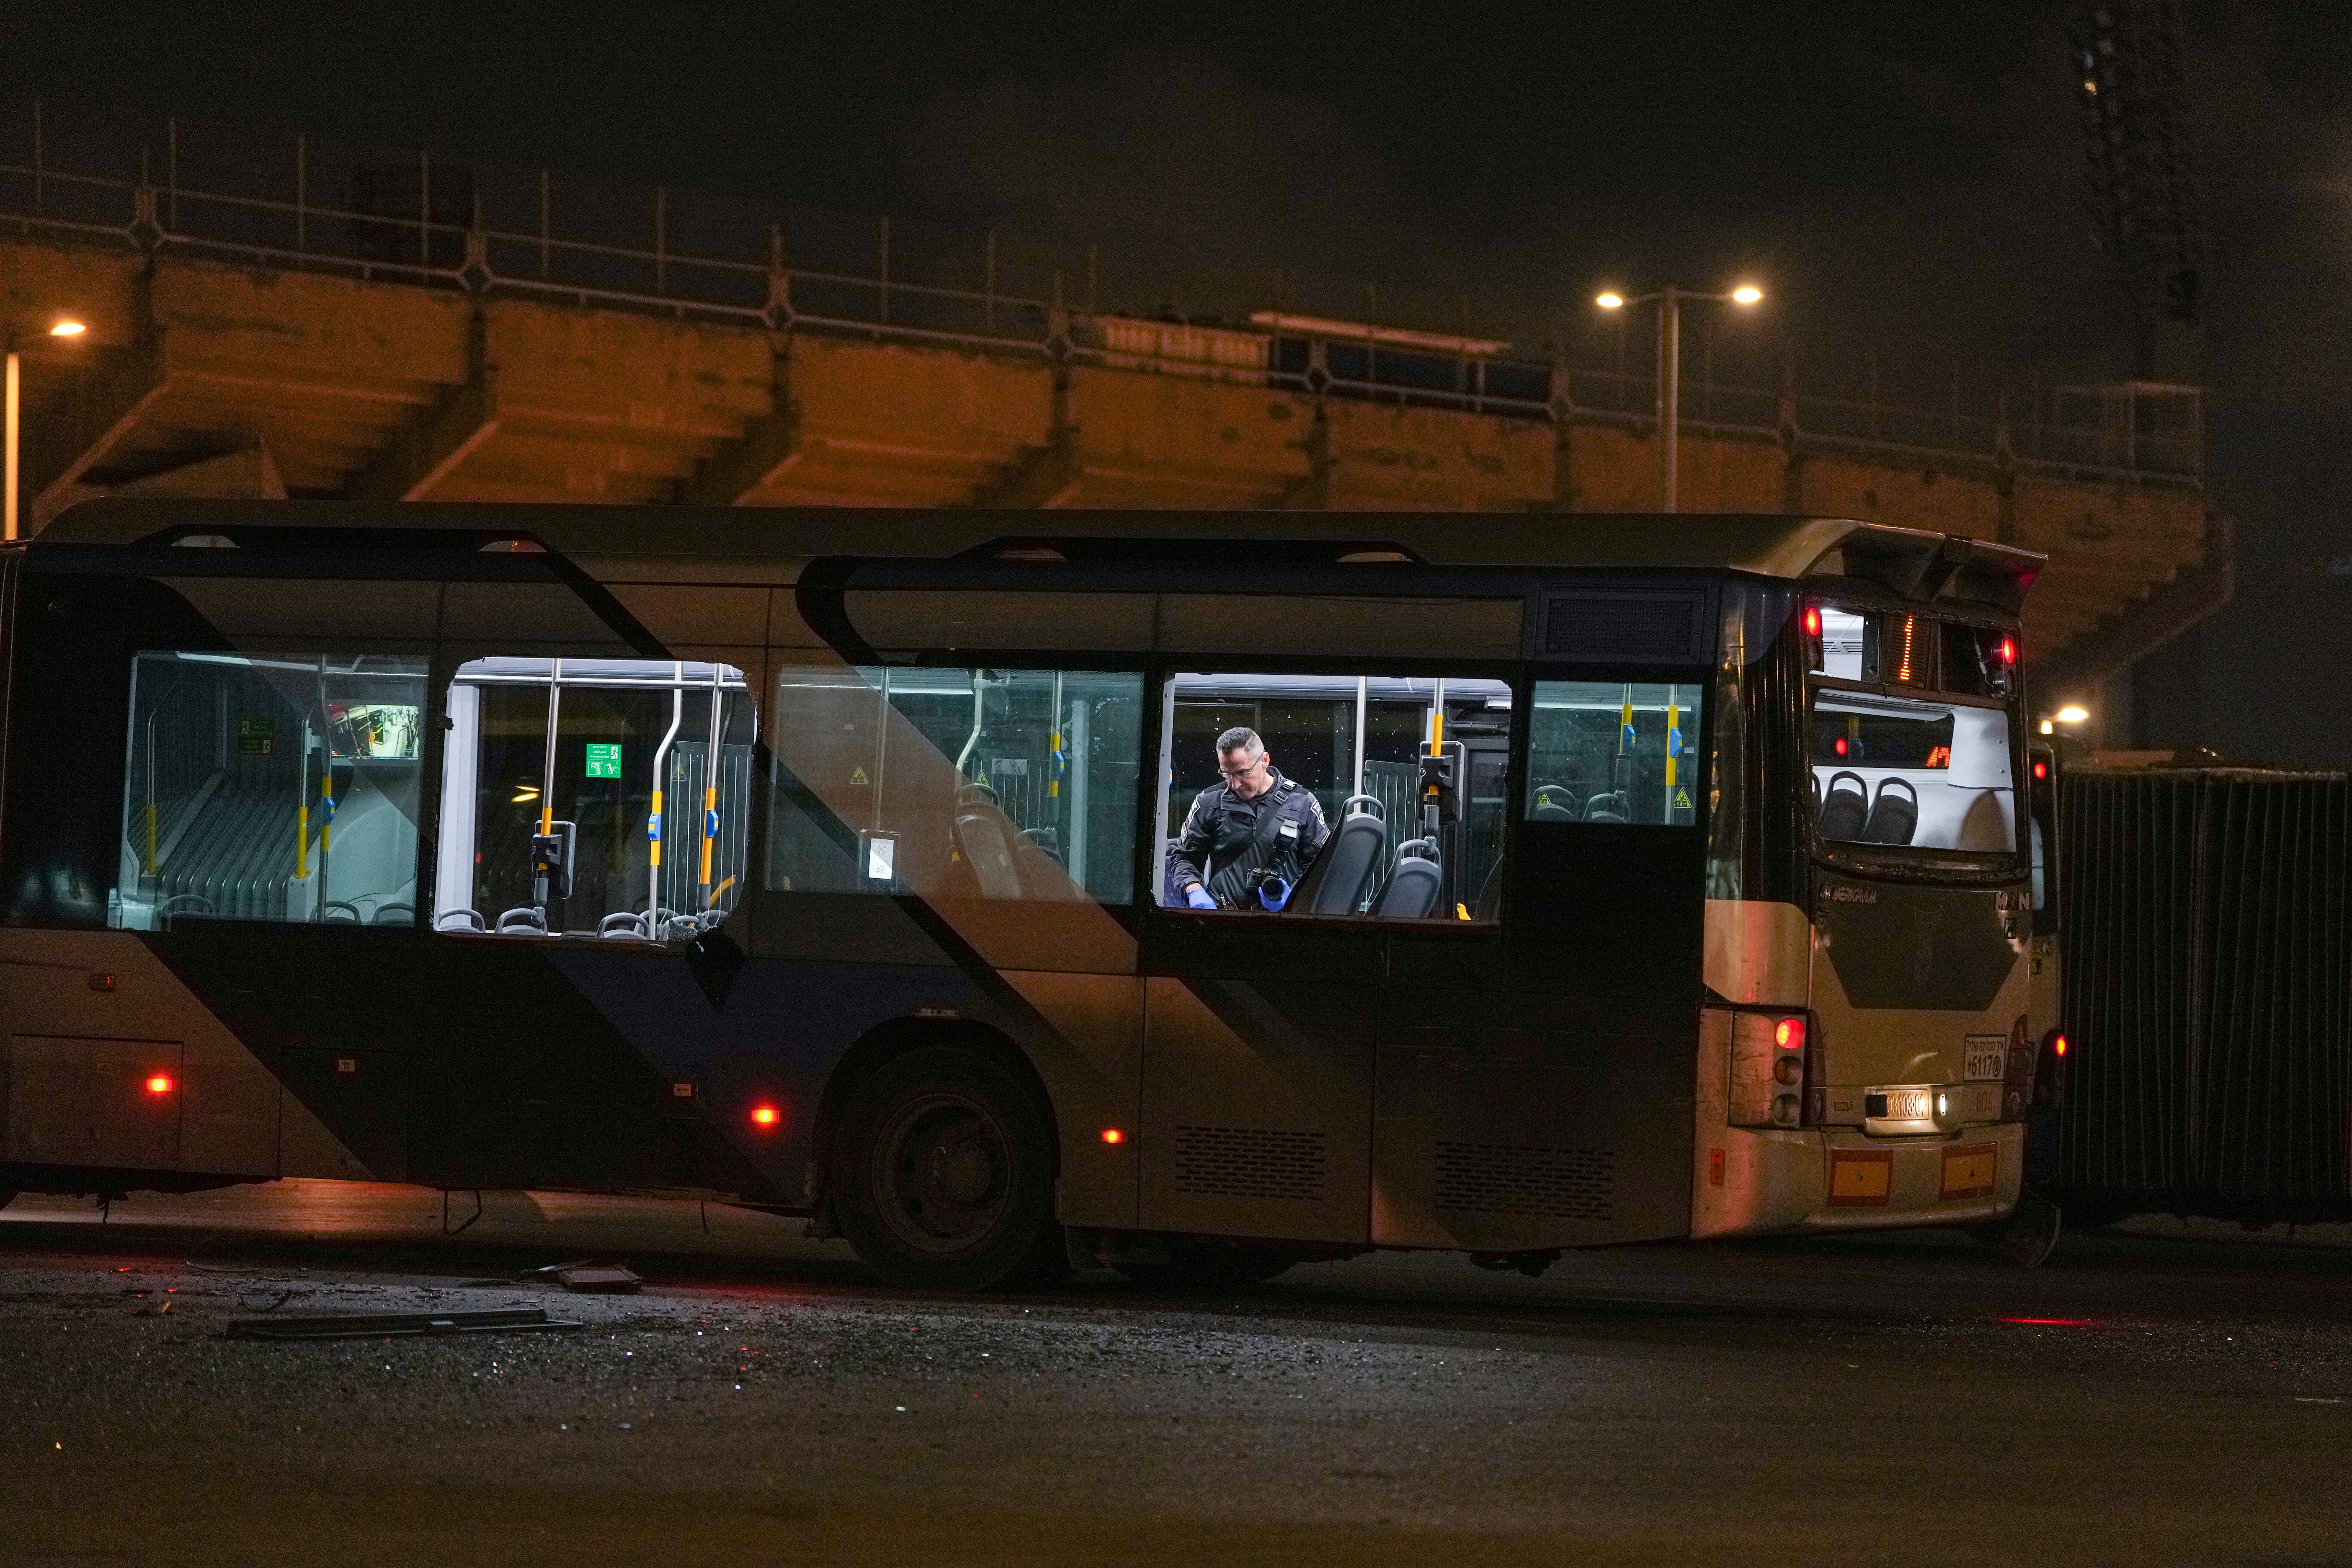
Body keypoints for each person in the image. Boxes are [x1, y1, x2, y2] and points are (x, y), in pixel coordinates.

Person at [1167, 726, 1328, 910]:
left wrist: (1294, 896)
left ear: (1265, 760)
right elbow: (1184, 858)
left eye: (1243, 773)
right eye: (1227, 774)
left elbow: (1321, 867)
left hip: (1285, 924)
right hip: (1225, 920)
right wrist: (1194, 890)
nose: (1235, 784)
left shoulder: (1302, 803)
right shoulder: (1209, 803)